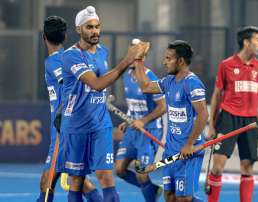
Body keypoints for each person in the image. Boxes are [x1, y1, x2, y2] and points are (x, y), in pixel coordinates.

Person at [59, 6, 148, 202]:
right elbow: (97, 84)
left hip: (100, 124)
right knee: (77, 181)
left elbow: (106, 80)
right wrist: (128, 59)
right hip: (76, 126)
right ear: (78, 30)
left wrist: (137, 59)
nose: (95, 31)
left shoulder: (102, 52)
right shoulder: (70, 56)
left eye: (97, 26)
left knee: (106, 177)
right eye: (89, 27)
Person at [134, 40, 208, 202]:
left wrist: (189, 144)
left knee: (183, 199)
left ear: (180, 61)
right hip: (171, 150)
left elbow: (203, 115)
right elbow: (146, 86)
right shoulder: (169, 81)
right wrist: (139, 60)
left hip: (189, 151)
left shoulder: (192, 83)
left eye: (168, 58)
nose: (164, 62)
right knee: (170, 196)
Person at [37, 15, 101, 202]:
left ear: (44, 37)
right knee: (77, 182)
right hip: (69, 127)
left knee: (48, 184)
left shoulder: (55, 60)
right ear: (65, 37)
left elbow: (69, 85)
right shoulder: (72, 57)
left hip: (64, 129)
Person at [206, 26, 258, 202]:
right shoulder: (226, 65)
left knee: (247, 168)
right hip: (228, 118)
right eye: (257, 40)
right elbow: (217, 95)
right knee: (217, 168)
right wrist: (212, 125)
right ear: (246, 42)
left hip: (250, 121)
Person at [114, 56, 166, 202]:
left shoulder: (150, 78)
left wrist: (143, 121)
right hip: (133, 130)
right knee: (119, 170)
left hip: (150, 130)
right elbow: (133, 105)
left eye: (136, 55)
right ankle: (152, 189)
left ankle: (150, 196)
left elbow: (163, 107)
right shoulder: (126, 76)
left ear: (142, 58)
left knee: (141, 173)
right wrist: (128, 120)